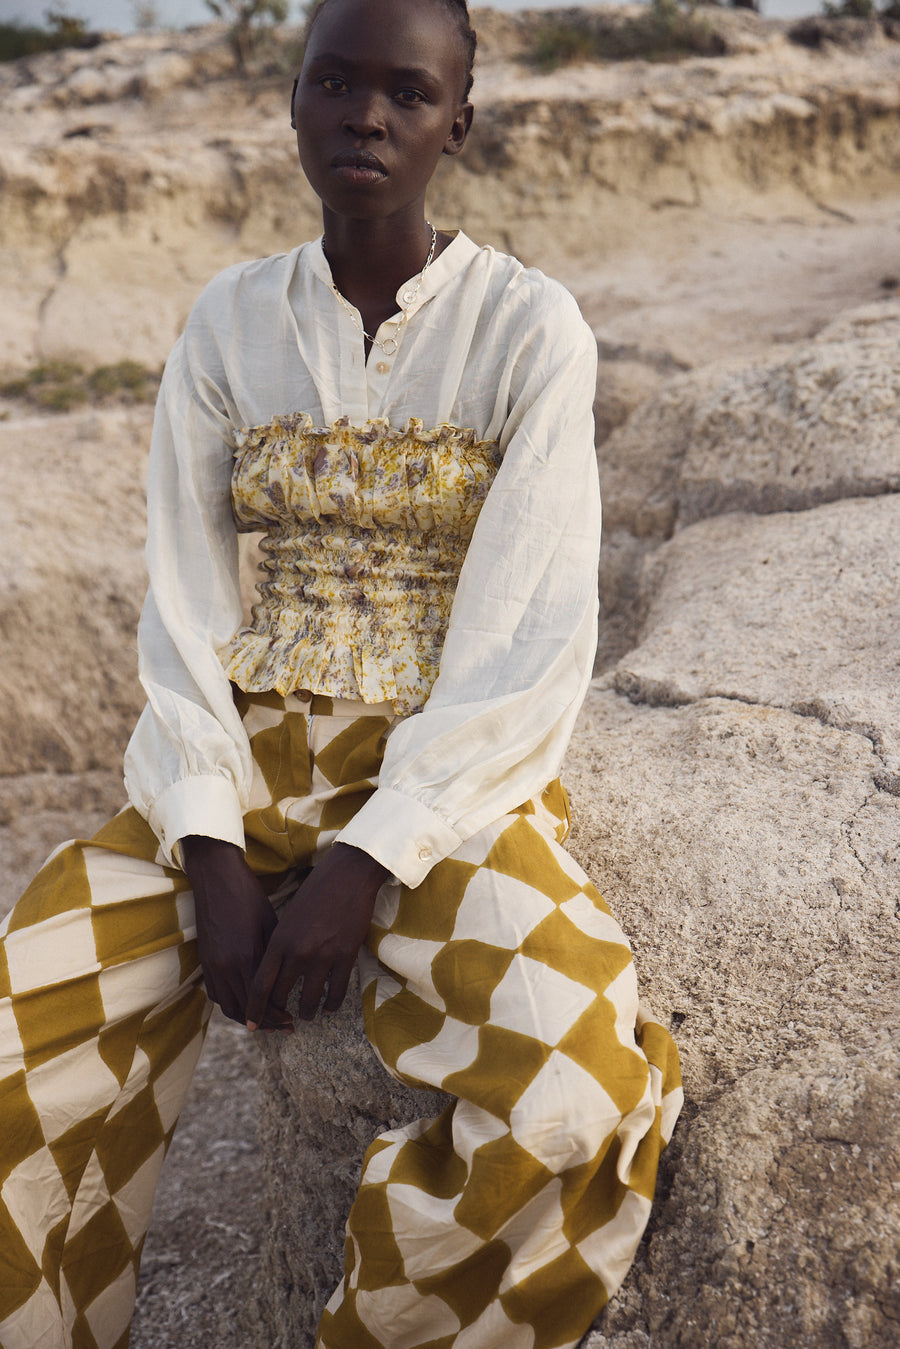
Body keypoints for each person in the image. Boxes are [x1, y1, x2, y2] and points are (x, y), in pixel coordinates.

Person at [0, 0, 683, 1345]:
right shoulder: (229, 320)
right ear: (295, 102)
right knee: (16, 1044)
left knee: (573, 1085)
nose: (366, 116)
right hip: (237, 760)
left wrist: (356, 873)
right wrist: (212, 861)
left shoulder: (527, 329)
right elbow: (189, 608)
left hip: (445, 776)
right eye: (334, 84)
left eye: (407, 94)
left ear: (458, 122)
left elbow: (526, 638)